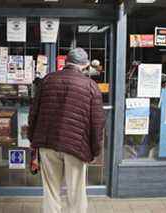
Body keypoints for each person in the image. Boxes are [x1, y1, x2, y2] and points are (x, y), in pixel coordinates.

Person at [28, 48, 105, 213]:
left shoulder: (47, 80)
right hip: (76, 147)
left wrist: (33, 140)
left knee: (50, 190)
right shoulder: (91, 86)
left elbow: (33, 113)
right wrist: (95, 150)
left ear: (66, 62)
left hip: (47, 143)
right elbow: (97, 123)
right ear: (84, 65)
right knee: (76, 191)